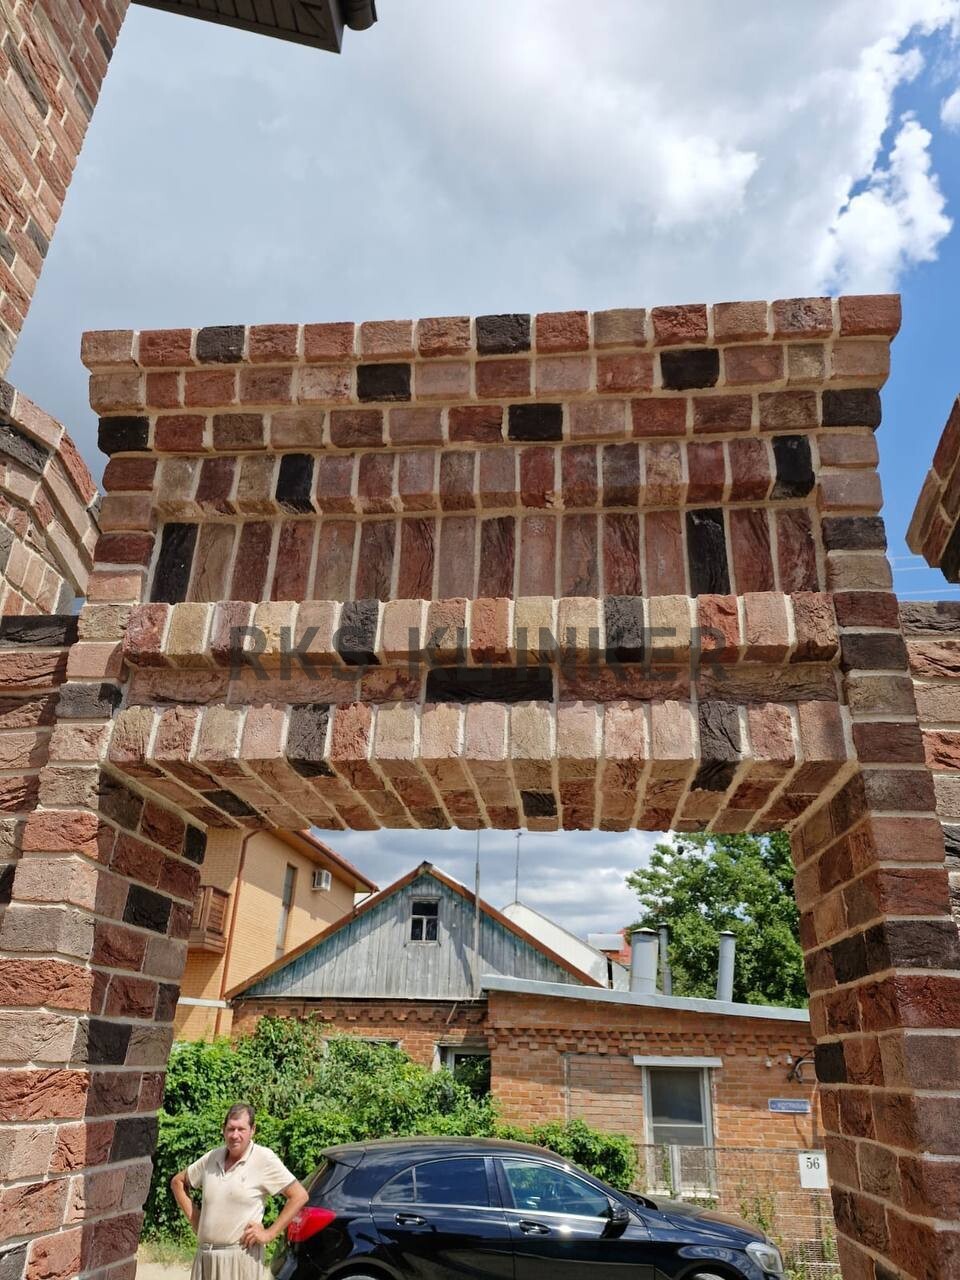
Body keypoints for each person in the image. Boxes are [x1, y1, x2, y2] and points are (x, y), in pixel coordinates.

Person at [171, 1102, 308, 1280]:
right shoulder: (212, 1157)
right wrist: (195, 1219)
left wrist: (269, 1233)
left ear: (253, 1130)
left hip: (240, 1260)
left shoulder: (263, 1158)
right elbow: (178, 1182)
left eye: (241, 1129)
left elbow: (299, 1196)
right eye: (231, 1129)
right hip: (205, 1258)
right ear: (223, 1130)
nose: (235, 1135)